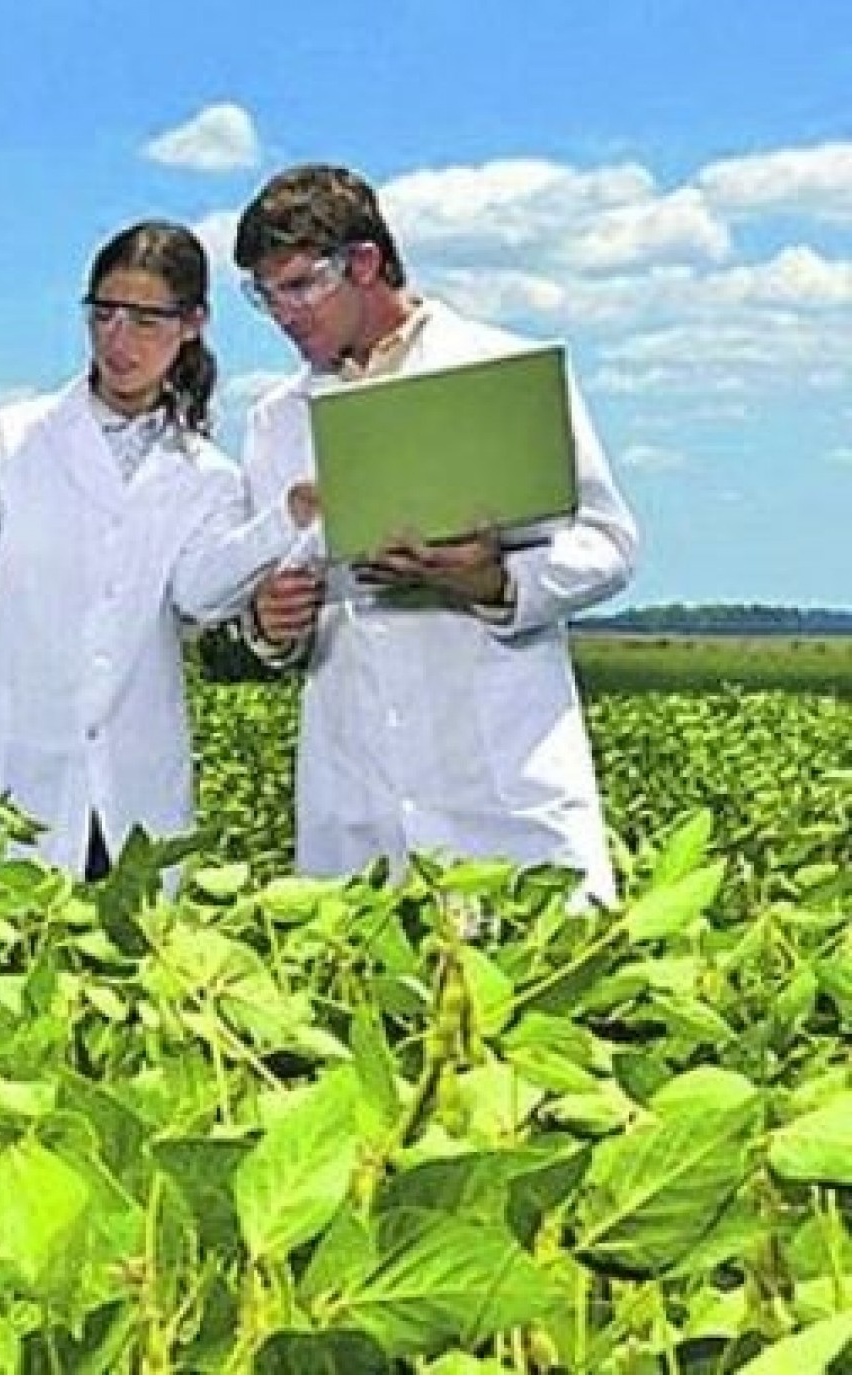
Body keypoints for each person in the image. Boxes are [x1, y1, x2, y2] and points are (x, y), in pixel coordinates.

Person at [231, 163, 638, 904]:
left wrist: (492, 580)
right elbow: (269, 590)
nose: (284, 314)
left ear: (365, 262)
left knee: (541, 985)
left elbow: (610, 544)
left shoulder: (500, 370)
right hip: (355, 794)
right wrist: (268, 624)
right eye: (265, 294)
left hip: (499, 779)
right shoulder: (274, 420)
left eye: (299, 286)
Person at [0, 220, 296, 880]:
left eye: (146, 320)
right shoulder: (15, 436)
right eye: (104, 315)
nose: (118, 341)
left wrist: (288, 518)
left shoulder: (208, 476)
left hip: (131, 790)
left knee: (126, 961)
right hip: (16, 775)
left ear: (193, 323)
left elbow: (201, 594)